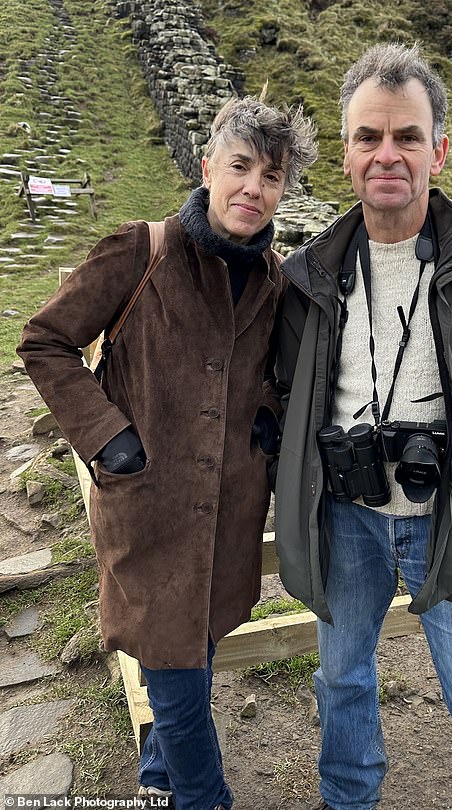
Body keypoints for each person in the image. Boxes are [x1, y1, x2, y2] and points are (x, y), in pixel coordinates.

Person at [273, 43, 452, 810]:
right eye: (368, 136)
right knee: (340, 684)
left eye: (407, 136)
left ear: (438, 148)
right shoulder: (309, 275)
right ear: (345, 154)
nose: (387, 154)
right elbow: (279, 392)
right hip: (346, 518)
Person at [18, 95, 317, 810]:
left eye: (271, 176)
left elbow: (271, 376)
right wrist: (107, 436)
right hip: (147, 504)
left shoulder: (276, 279)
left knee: (197, 644)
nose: (253, 187)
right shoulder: (139, 251)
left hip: (229, 512)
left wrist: (267, 421)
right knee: (178, 676)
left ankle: (158, 770)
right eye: (240, 166)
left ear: (284, 190)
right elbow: (44, 342)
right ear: (208, 165)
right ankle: (204, 797)